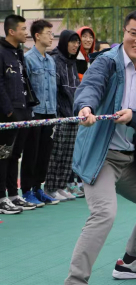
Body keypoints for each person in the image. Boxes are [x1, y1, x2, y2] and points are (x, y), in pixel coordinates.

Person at [65, 10, 136, 284]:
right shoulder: (107, 62)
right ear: (124, 32)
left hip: (131, 159)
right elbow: (90, 87)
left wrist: (135, 116)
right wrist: (85, 107)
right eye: (133, 33)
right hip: (101, 158)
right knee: (104, 213)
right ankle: (76, 281)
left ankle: (131, 262)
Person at [0, 15, 39, 215]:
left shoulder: (18, 53)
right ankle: (1, 198)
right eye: (23, 29)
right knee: (3, 155)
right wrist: (8, 111)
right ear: (11, 31)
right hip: (8, 114)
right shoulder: (1, 52)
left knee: (16, 154)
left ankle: (14, 195)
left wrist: (28, 107)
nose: (26, 33)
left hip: (23, 110)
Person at [22, 19, 59, 206]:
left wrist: (55, 113)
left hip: (50, 113)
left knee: (45, 153)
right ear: (37, 35)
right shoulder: (28, 59)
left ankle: (38, 188)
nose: (51, 37)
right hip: (34, 113)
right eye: (48, 33)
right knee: (31, 152)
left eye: (52, 33)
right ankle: (26, 191)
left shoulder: (51, 60)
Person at [44, 30, 83, 202]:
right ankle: (50, 187)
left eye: (77, 42)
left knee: (68, 153)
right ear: (64, 42)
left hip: (73, 115)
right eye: (72, 42)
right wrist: (60, 111)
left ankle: (61, 186)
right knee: (56, 153)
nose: (76, 45)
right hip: (59, 115)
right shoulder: (54, 60)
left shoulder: (73, 62)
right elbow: (55, 89)